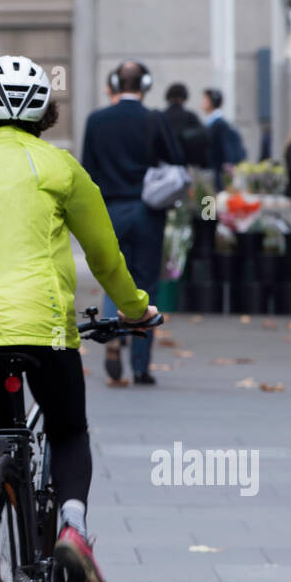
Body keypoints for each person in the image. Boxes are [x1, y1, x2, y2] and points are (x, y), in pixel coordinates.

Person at [0, 54, 158, 582]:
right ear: (46, 112)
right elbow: (104, 255)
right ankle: (72, 529)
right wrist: (135, 309)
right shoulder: (61, 169)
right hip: (44, 327)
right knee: (68, 428)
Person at [81, 60, 183, 386]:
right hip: (148, 210)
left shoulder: (96, 120)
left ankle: (113, 331)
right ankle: (141, 366)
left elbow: (88, 171)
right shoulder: (155, 119)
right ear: (146, 84)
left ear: (114, 83)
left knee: (113, 274)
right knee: (146, 282)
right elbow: (175, 159)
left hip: (110, 209)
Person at [201, 87, 246, 190]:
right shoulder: (214, 122)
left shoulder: (219, 123)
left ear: (210, 102)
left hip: (219, 170)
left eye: (205, 99)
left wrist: (228, 166)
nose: (202, 102)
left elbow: (225, 146)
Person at [162, 83, 209, 167]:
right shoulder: (190, 116)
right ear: (184, 98)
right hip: (185, 166)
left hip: (164, 166)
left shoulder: (161, 117)